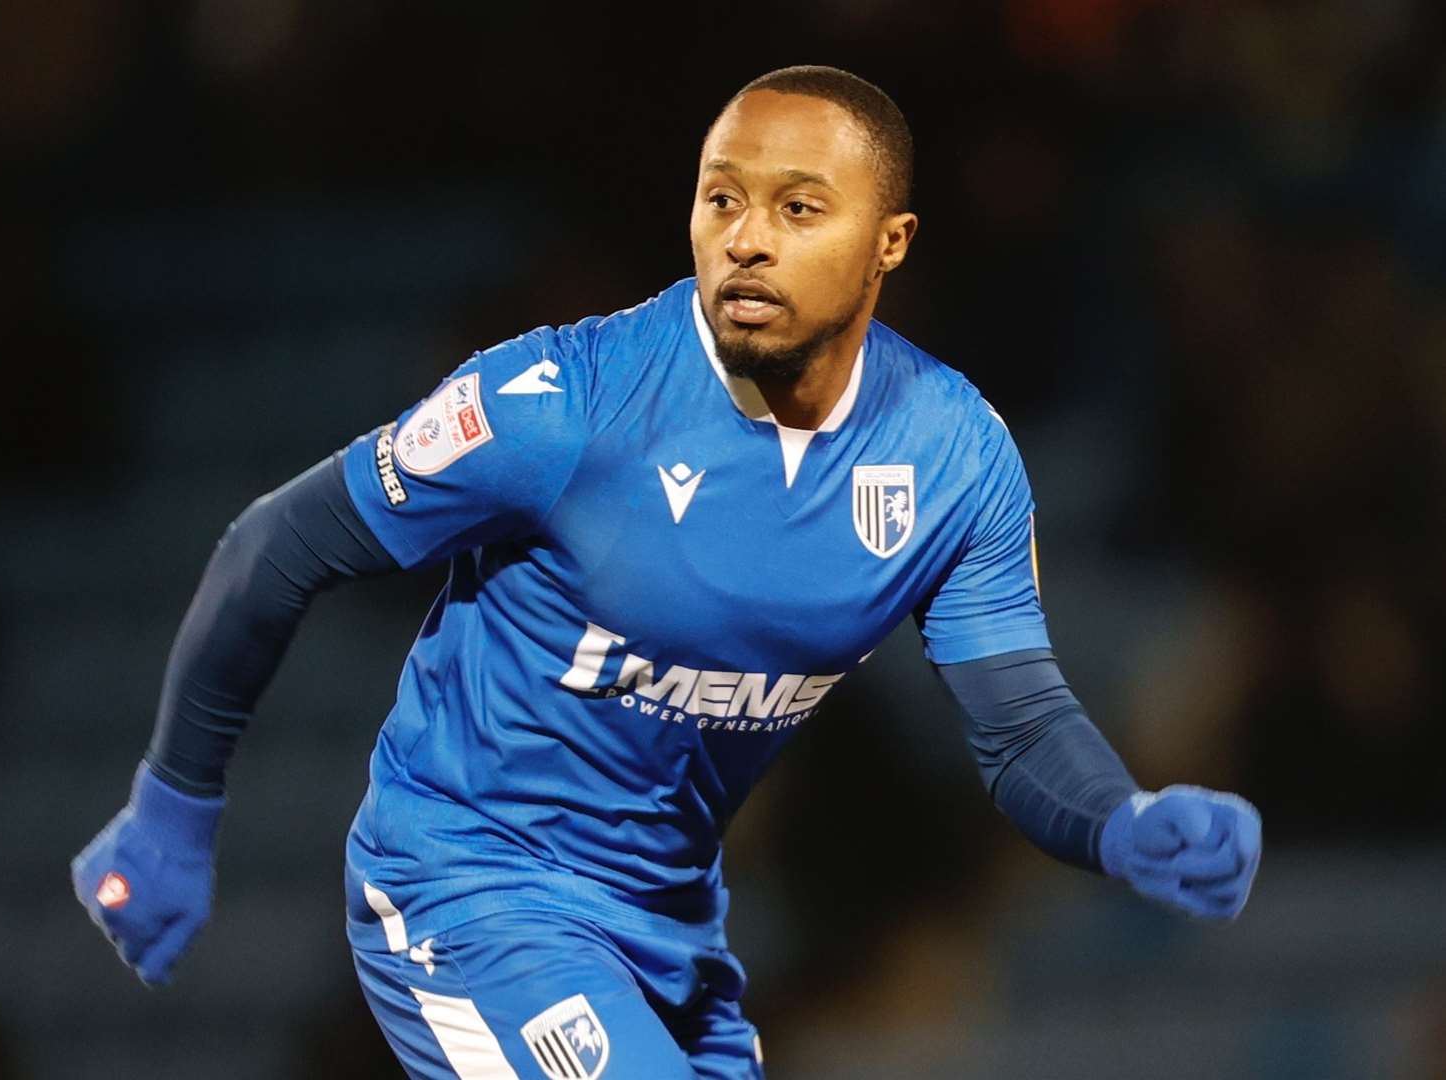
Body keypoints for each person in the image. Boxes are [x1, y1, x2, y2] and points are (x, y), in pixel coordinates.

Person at [72, 66, 1261, 1079]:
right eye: (722, 198)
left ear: (889, 242)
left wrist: (1119, 820)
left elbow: (1016, 723)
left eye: (799, 207)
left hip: (666, 920)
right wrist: (173, 809)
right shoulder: (563, 406)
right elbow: (277, 545)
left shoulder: (953, 456)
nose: (747, 236)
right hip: (467, 889)